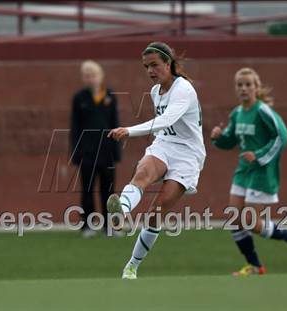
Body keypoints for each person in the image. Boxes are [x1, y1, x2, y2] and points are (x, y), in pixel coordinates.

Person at [107, 42, 206, 279]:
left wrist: (129, 130)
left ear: (168, 64)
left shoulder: (183, 89)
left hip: (188, 155)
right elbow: (163, 129)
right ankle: (122, 211)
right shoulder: (155, 92)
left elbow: (166, 120)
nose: (150, 71)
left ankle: (132, 265)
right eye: (146, 67)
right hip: (165, 145)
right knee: (142, 173)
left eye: (155, 65)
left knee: (156, 212)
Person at [211, 67, 287, 276]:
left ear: (256, 87)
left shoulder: (263, 111)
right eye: (239, 85)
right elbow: (230, 141)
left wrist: (260, 155)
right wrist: (218, 137)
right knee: (234, 219)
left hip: (261, 172)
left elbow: (282, 136)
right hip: (243, 171)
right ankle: (255, 265)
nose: (243, 89)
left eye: (248, 85)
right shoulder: (236, 113)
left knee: (250, 223)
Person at [70, 60, 121, 238]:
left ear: (100, 76)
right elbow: (75, 128)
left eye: (93, 75)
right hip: (87, 153)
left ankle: (110, 227)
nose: (90, 79)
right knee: (88, 189)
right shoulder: (79, 98)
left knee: (109, 192)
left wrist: (116, 151)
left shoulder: (110, 96)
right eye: (86, 76)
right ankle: (88, 225)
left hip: (106, 152)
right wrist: (76, 153)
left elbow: (115, 124)